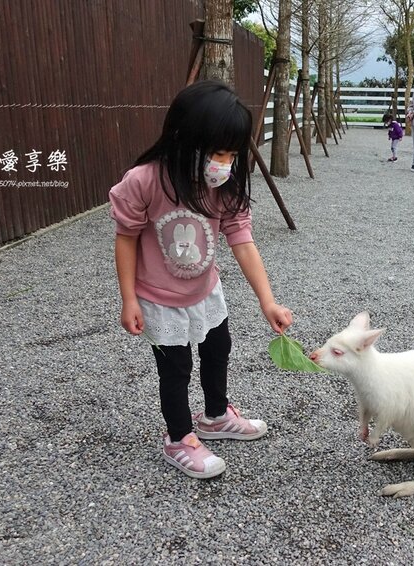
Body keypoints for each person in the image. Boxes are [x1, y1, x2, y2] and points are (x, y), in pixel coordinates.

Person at [109, 80, 294, 479]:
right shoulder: (144, 180)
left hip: (206, 289)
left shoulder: (224, 184)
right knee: (174, 368)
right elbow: (125, 239)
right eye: (216, 152)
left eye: (231, 153)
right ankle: (179, 437)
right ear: (182, 138)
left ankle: (215, 415)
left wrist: (268, 301)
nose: (223, 162)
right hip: (158, 297)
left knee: (217, 348)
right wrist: (129, 299)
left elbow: (242, 240)